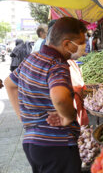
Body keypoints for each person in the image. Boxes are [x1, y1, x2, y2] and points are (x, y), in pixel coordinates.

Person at [4, 17, 87, 173]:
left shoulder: (31, 59)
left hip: (33, 144)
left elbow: (9, 84)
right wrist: (68, 117)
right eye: (81, 42)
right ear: (67, 44)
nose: (83, 47)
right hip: (57, 146)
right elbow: (60, 98)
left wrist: (23, 117)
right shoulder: (57, 65)